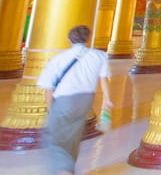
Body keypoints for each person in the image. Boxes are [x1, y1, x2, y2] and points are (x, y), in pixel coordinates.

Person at [36, 25, 112, 175]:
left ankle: (63, 171)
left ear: (69, 40)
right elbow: (104, 80)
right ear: (88, 38)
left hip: (64, 100)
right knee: (73, 135)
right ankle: (68, 167)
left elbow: (48, 89)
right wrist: (107, 101)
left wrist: (52, 110)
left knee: (54, 138)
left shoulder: (58, 59)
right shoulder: (99, 56)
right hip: (86, 100)